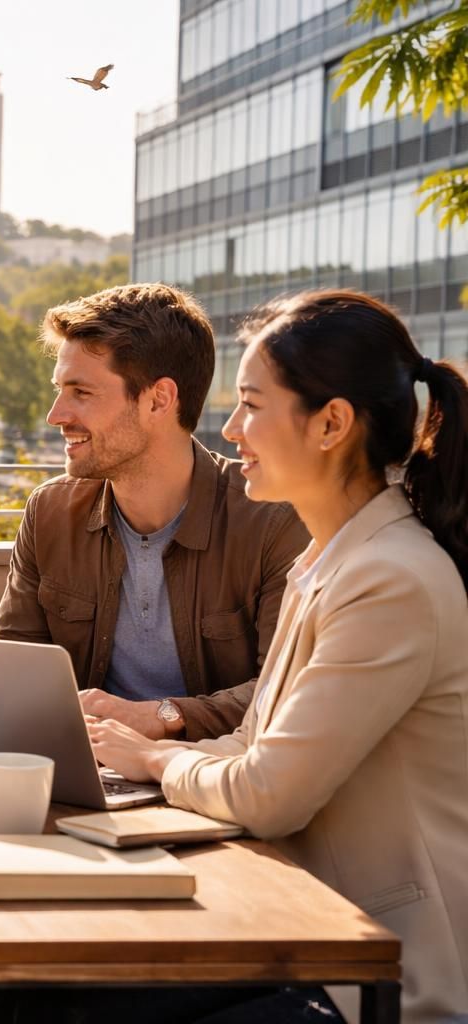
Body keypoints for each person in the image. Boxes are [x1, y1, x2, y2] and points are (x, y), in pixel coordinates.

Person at [82, 291, 468, 1023]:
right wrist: (126, 763)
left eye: (252, 405)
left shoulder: (391, 580)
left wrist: (158, 759)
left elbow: (269, 792)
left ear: (331, 424)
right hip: (302, 925)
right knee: (48, 991)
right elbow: (254, 743)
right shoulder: (329, 560)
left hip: (378, 971)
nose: (230, 429)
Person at [0, 283, 310, 741]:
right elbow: (11, 662)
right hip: (85, 766)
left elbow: (285, 689)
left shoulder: (272, 520)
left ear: (159, 400)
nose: (56, 415)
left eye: (81, 392)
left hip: (213, 770)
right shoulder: (50, 511)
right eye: (60, 390)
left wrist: (162, 717)